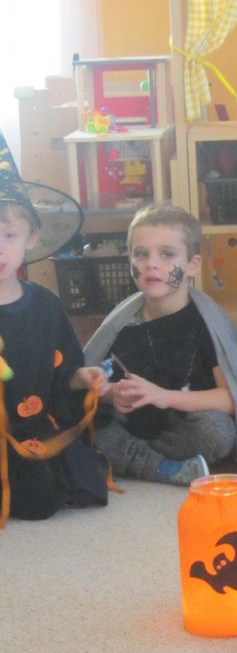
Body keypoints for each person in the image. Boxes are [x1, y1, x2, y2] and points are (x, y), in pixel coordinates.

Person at [84, 204, 237, 529]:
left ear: (192, 265)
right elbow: (86, 385)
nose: (152, 264)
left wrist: (163, 396)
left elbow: (231, 400)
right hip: (131, 428)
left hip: (182, 430)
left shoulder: (205, 324)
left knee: (218, 431)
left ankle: (143, 462)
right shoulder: (121, 324)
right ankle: (163, 468)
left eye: (167, 254)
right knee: (88, 432)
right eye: (141, 254)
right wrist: (109, 393)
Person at [0, 188, 108, 521]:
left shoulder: (45, 306)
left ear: (31, 238)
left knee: (43, 496)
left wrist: (83, 377)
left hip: (31, 430)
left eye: (9, 235)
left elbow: (64, 373)